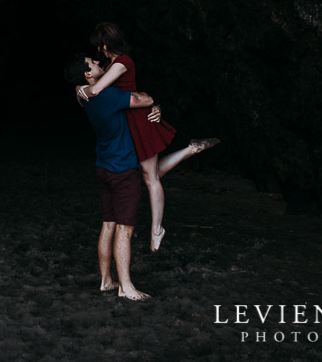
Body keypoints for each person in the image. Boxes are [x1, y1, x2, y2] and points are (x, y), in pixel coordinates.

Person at [79, 22, 219, 253]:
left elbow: (95, 90)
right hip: (127, 122)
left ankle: (157, 229)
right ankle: (189, 150)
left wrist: (79, 90)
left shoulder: (123, 62)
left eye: (99, 46)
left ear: (105, 45)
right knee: (144, 174)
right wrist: (79, 86)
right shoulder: (106, 63)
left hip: (139, 120)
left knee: (150, 178)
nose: (98, 52)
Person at [64, 54, 161, 301]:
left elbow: (82, 89)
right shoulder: (109, 95)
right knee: (124, 230)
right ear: (88, 74)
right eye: (93, 63)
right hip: (123, 170)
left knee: (108, 224)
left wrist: (81, 86)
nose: (98, 62)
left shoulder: (83, 96)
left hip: (103, 167)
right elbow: (146, 100)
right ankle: (126, 286)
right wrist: (155, 106)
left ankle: (107, 280)